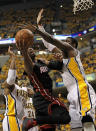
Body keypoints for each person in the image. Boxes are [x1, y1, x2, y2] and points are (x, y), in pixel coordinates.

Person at [28, 8, 96, 131]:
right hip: (71, 93)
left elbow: (52, 40)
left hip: (81, 89)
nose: (64, 43)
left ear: (73, 45)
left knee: (87, 121)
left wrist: (38, 31)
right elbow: (49, 45)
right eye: (65, 41)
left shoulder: (73, 52)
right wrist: (40, 26)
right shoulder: (62, 59)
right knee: (75, 126)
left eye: (67, 42)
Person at [15, 35, 71, 131]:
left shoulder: (41, 61)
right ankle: (34, 121)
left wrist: (60, 59)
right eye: (28, 49)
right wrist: (24, 52)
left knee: (49, 129)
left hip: (46, 97)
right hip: (42, 97)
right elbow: (28, 67)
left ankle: (36, 121)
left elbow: (58, 65)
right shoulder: (29, 65)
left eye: (31, 47)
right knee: (66, 117)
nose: (31, 49)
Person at [2, 47, 35, 131]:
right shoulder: (10, 86)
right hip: (11, 118)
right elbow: (11, 78)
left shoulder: (22, 88)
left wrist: (31, 92)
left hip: (21, 119)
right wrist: (13, 58)